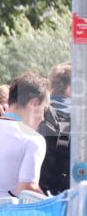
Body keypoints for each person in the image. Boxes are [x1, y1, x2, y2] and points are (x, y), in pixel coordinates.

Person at [0, 73, 50, 198]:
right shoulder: (33, 139)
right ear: (34, 103)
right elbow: (27, 189)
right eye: (44, 109)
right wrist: (55, 204)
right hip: (14, 210)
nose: (43, 118)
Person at [38, 63, 71, 195]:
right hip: (70, 193)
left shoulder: (36, 112)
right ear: (69, 88)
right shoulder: (79, 116)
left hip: (36, 193)